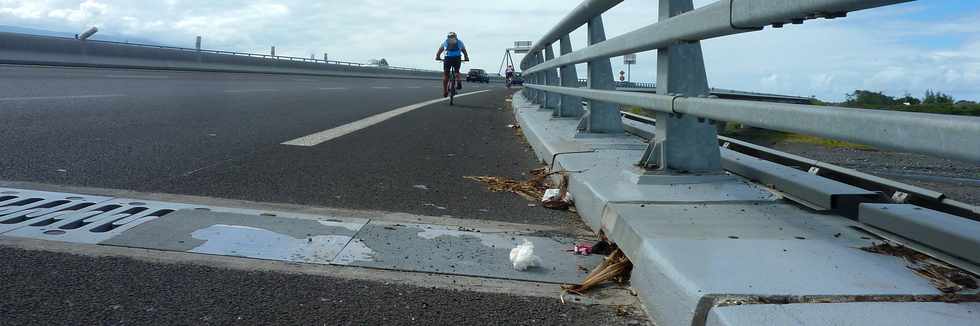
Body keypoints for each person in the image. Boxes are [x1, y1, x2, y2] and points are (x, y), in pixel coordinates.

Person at [435, 32, 469, 97]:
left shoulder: (446, 42)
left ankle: (445, 91)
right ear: (456, 36)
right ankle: (458, 80)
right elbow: (464, 51)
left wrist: (438, 57)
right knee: (457, 71)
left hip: (448, 58)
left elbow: (440, 50)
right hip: (457, 58)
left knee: (446, 75)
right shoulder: (459, 42)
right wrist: (466, 58)